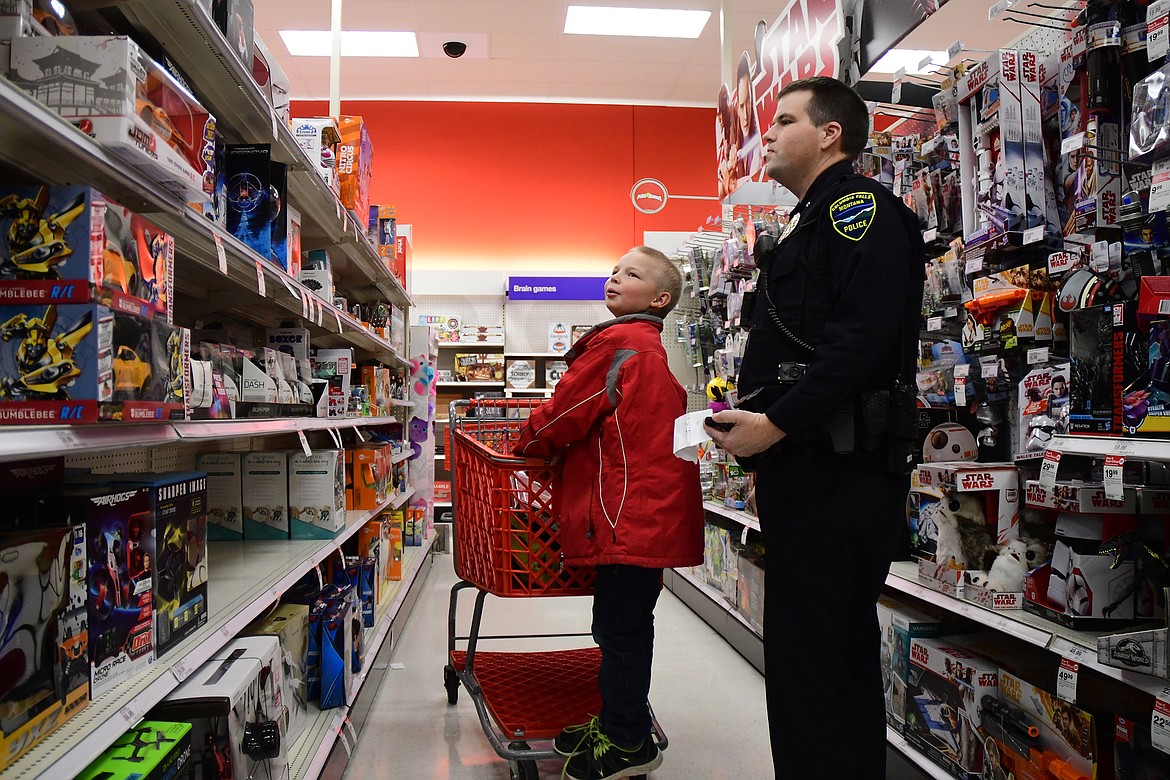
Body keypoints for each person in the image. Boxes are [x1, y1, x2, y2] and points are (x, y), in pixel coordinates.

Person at [705, 76, 924, 779]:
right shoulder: (811, 218)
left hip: (839, 472)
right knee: (817, 659)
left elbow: (855, 347)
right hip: (810, 472)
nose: (766, 135)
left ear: (831, 133)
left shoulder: (859, 210)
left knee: (817, 663)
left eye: (784, 120)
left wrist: (773, 425)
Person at [514, 246, 704, 780]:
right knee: (622, 624)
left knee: (621, 630)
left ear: (661, 298)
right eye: (616, 269)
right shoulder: (647, 346)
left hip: (628, 515)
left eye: (633, 273)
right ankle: (618, 722)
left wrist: (527, 439)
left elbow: (568, 410)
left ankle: (628, 742)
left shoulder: (623, 343)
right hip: (644, 511)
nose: (616, 276)